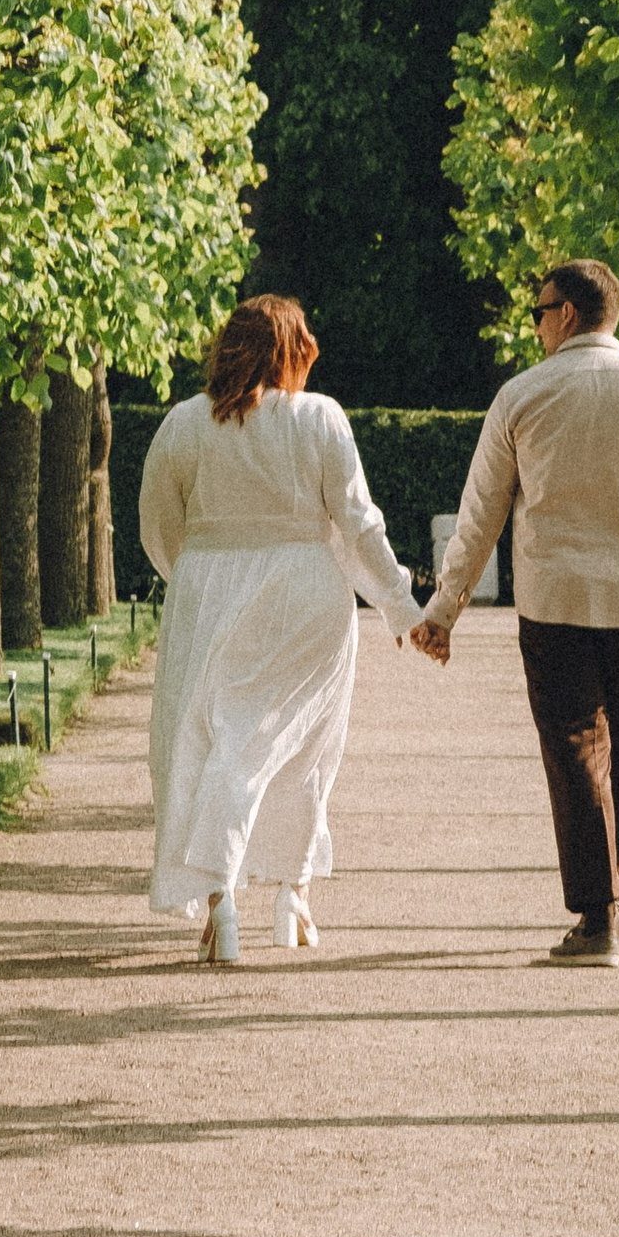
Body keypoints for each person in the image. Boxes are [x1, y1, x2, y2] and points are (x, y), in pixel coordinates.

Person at [413, 258, 619, 965]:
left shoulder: (523, 396)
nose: (534, 327)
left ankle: (599, 914)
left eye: (537, 313)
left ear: (567, 315)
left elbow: (480, 514)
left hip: (555, 605)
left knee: (577, 753)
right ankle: (607, 899)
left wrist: (444, 609)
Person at [141, 293, 420, 965]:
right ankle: (290, 895)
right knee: (301, 746)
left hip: (208, 589)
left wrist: (198, 570)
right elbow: (357, 521)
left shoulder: (183, 424)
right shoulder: (318, 417)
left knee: (211, 742)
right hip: (305, 589)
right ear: (290, 351)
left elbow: (158, 525)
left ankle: (219, 900)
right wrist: (400, 606)